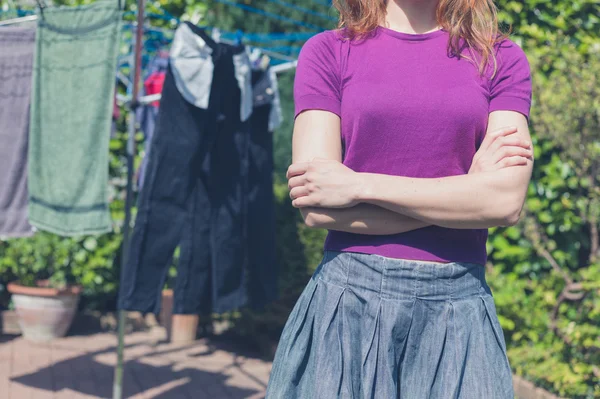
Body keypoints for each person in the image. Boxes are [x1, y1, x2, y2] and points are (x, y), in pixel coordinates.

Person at [265, 0, 533, 397]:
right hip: (346, 308)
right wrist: (466, 193)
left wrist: (358, 187)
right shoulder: (327, 51)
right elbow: (318, 206)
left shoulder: (499, 58)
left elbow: (503, 203)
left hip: (456, 314)